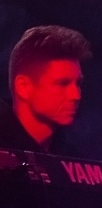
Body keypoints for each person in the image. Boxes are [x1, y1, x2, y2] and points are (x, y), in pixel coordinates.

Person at [3, 25, 90, 153]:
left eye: (78, 83)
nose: (76, 95)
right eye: (62, 83)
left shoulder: (72, 156)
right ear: (23, 87)